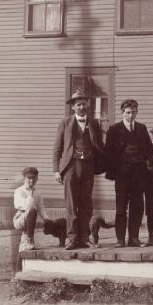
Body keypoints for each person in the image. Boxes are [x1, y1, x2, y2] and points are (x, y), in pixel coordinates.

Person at [52, 90, 106, 250]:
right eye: (78, 105)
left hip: (88, 166)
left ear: (87, 105)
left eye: (83, 104)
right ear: (73, 107)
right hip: (71, 166)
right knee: (71, 203)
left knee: (86, 203)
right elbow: (57, 148)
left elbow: (100, 146)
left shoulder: (94, 123)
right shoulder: (65, 123)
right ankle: (72, 238)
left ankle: (85, 238)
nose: (81, 107)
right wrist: (56, 170)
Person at [103, 99, 153, 247]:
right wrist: (114, 167)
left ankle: (134, 238)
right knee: (121, 207)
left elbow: (150, 149)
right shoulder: (114, 129)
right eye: (128, 112)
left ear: (137, 112)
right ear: (122, 113)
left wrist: (148, 161)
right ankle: (120, 239)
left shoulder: (142, 128)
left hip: (139, 174)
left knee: (137, 206)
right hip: (122, 174)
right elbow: (108, 151)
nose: (131, 115)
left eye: (134, 112)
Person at [13, 166, 48, 251]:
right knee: (32, 210)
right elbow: (21, 205)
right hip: (20, 219)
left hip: (31, 219)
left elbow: (41, 208)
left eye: (34, 178)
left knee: (24, 247)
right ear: (24, 178)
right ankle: (29, 240)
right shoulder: (19, 191)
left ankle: (25, 247)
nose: (31, 180)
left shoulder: (38, 192)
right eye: (29, 178)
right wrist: (30, 194)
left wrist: (47, 220)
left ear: (37, 178)